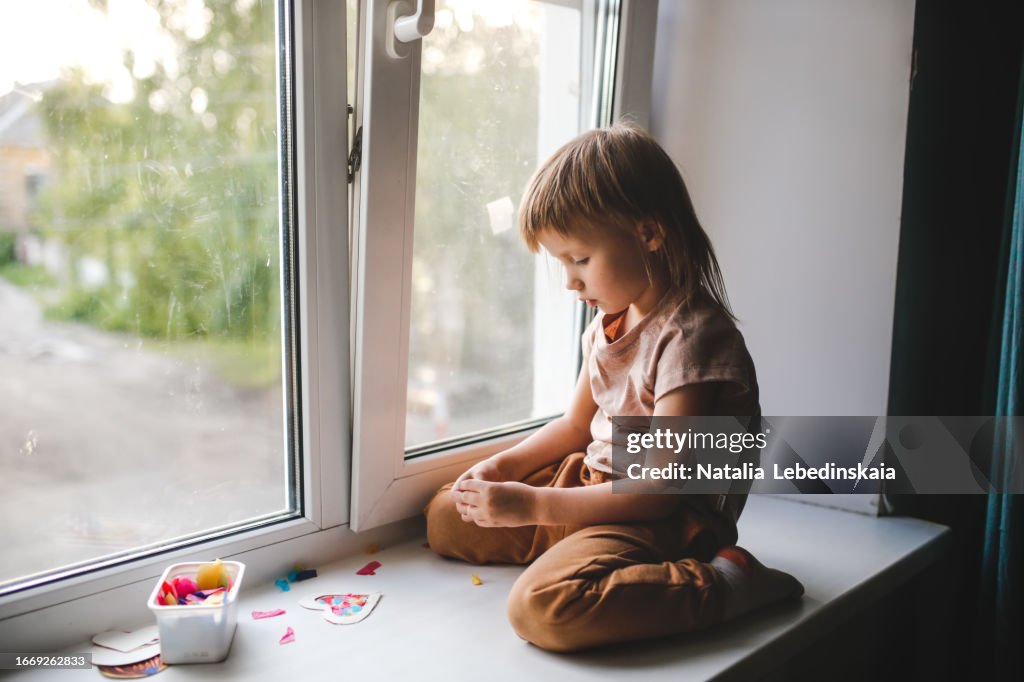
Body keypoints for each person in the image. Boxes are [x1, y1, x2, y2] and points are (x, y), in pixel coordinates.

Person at [423, 123, 803, 652]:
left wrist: (533, 506)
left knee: (542, 608)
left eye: (580, 260)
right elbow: (576, 426)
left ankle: (728, 580)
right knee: (447, 515)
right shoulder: (610, 321)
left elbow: (657, 491)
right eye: (561, 263)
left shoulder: (691, 338)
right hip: (598, 484)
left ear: (648, 234)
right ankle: (582, 548)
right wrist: (502, 469)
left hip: (666, 517)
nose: (570, 282)